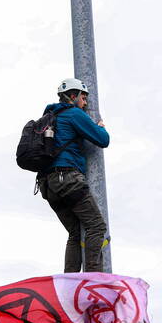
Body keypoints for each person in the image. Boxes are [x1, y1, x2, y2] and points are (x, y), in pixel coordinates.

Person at [37, 78, 110, 272]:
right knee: (96, 226)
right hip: (68, 179)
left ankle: (70, 281)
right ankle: (93, 280)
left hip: (47, 185)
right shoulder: (73, 114)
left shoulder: (50, 117)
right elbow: (103, 140)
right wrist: (100, 126)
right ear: (72, 96)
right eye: (83, 98)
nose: (85, 103)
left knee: (75, 233)